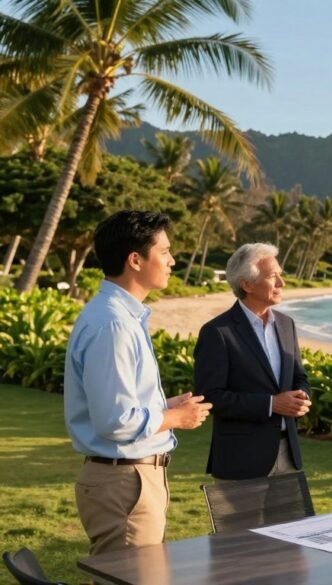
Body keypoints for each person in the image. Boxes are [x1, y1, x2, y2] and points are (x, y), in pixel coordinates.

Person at [65, 210, 212, 555]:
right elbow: (114, 421)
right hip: (124, 484)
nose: (172, 261)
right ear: (135, 259)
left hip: (129, 480)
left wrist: (164, 407)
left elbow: (119, 406)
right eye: (164, 252)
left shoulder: (119, 317)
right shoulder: (114, 325)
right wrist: (176, 418)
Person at [194, 243, 311, 480]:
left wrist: (302, 397)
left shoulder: (287, 324)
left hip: (288, 454)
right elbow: (209, 397)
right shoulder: (217, 332)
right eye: (273, 276)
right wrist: (271, 404)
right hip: (241, 459)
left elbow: (299, 376)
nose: (282, 283)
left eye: (281, 275)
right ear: (247, 284)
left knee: (292, 519)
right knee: (244, 521)